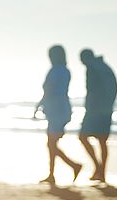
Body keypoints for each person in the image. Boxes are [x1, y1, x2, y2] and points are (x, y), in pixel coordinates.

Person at [33, 45, 82, 185]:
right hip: (62, 109)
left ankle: (71, 167)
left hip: (56, 111)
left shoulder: (55, 71)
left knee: (51, 143)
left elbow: (49, 90)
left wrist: (38, 106)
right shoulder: (65, 71)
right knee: (52, 143)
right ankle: (53, 174)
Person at [78, 48, 117, 183]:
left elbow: (91, 90)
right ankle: (101, 173)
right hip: (106, 110)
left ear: (84, 58)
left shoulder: (92, 68)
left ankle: (98, 168)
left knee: (83, 137)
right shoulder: (104, 67)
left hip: (95, 110)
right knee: (102, 141)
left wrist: (89, 108)